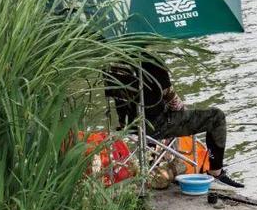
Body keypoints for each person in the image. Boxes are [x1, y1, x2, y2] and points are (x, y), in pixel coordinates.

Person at [104, 53, 244, 188]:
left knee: (158, 110)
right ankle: (216, 173)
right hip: (156, 126)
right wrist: (185, 112)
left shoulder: (112, 63)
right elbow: (174, 102)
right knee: (216, 117)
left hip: (130, 126)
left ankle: (155, 162)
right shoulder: (151, 61)